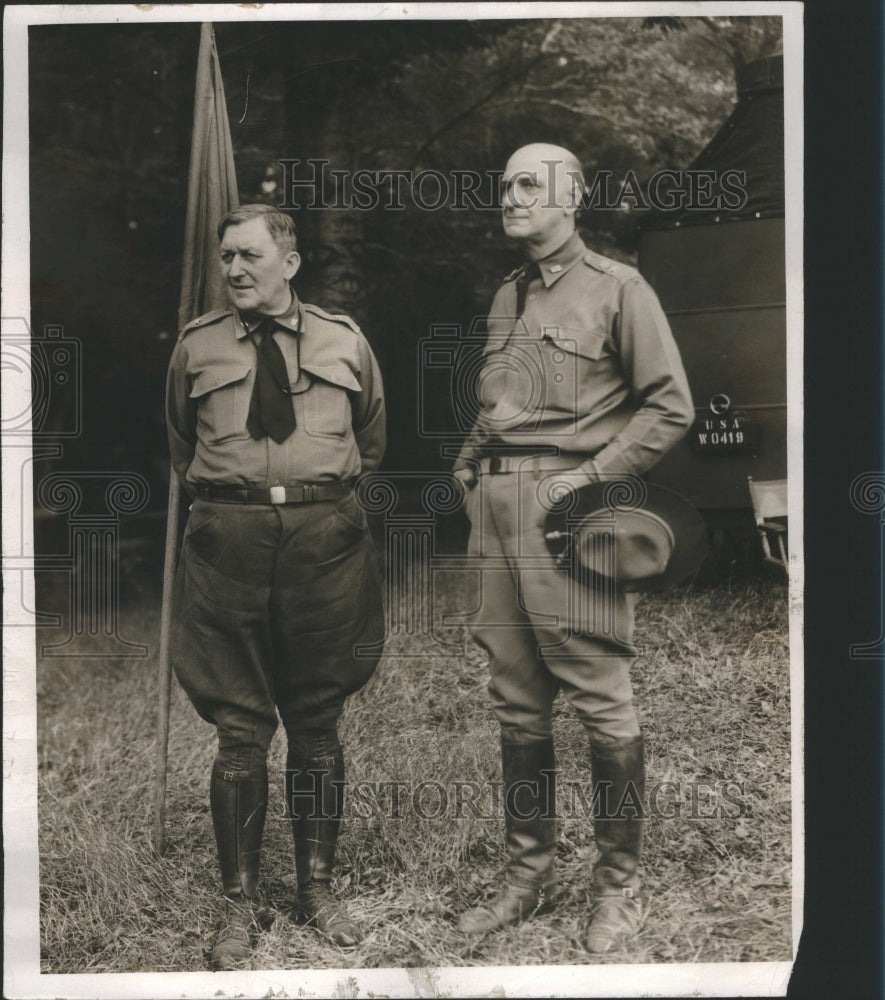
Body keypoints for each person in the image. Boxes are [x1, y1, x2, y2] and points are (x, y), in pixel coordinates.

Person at [453, 144, 695, 953]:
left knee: (599, 695)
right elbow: (500, 404)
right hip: (495, 511)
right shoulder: (505, 294)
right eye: (505, 182)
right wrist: (466, 467)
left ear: (572, 198)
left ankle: (616, 888)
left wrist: (589, 478)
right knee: (515, 699)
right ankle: (527, 877)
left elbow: (668, 408)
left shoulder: (619, 288)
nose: (510, 195)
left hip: (567, 512)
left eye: (528, 184)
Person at [166, 204, 385, 969]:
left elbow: (372, 439)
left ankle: (316, 890)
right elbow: (179, 444)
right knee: (239, 731)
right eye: (226, 256)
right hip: (226, 546)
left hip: (324, 549)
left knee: (318, 721)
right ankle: (238, 904)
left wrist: (312, 506)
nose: (234, 269)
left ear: (288, 263)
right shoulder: (196, 347)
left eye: (249, 256)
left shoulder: (343, 340)